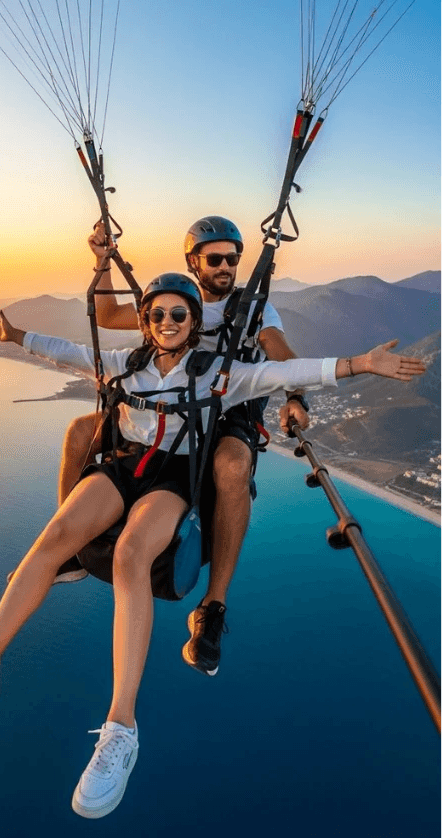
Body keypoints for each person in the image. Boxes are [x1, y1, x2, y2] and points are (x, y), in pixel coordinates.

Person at [0, 273, 425, 819]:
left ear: (193, 322)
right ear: (146, 323)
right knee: (57, 534)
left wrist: (358, 364)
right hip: (123, 466)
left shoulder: (219, 376)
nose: (167, 324)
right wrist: (17, 336)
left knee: (132, 553)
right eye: (157, 315)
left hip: (174, 477)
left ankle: (120, 728)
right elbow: (67, 351)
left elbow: (287, 370)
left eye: (179, 315)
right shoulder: (126, 364)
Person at [56, 215, 311, 676]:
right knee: (79, 432)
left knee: (233, 466)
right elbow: (110, 314)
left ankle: (212, 608)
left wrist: (294, 396)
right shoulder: (176, 301)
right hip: (169, 401)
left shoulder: (252, 308)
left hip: (225, 406)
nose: (227, 266)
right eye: (216, 258)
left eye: (233, 258)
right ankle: (69, 549)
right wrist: (102, 263)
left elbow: (279, 350)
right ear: (194, 262)